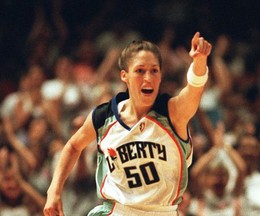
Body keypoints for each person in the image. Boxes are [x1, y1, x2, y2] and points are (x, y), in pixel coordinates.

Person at [43, 32, 212, 216]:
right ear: (124, 76)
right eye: (140, 71)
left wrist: (200, 61)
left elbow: (194, 89)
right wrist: (54, 191)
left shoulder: (173, 113)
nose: (148, 77)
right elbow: (73, 146)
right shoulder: (104, 117)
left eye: (154, 70)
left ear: (161, 76)